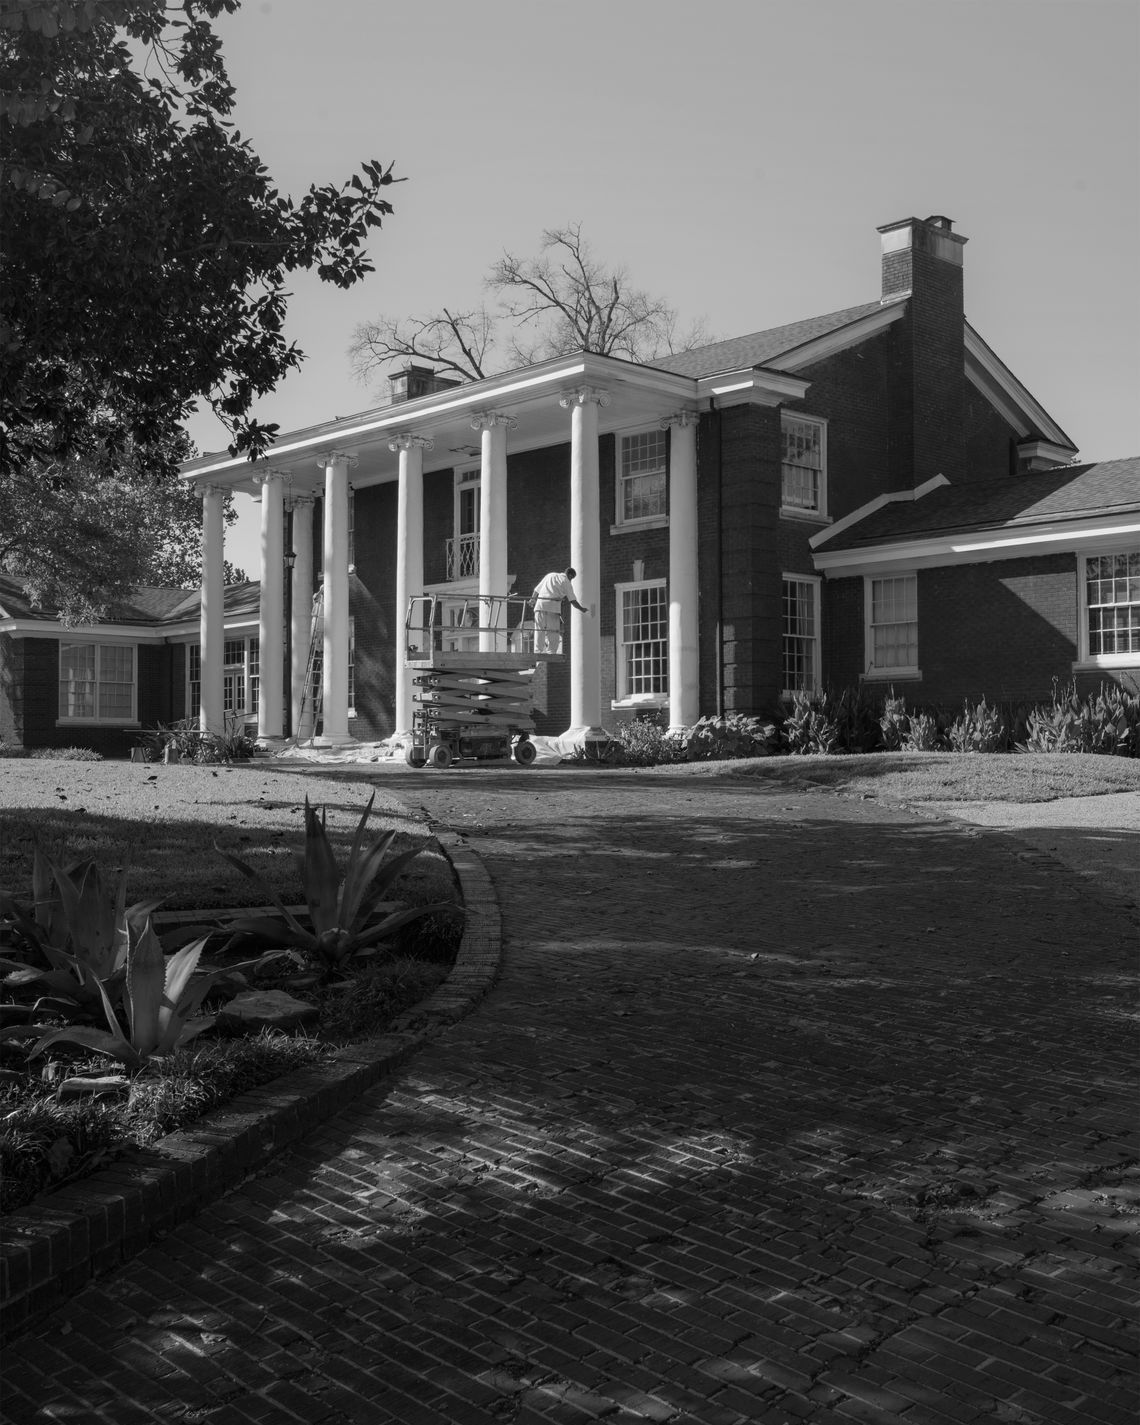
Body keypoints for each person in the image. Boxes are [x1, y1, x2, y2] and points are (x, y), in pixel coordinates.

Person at [531, 566, 589, 654]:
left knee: (539, 629)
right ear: (570, 575)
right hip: (552, 608)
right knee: (553, 630)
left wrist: (533, 599)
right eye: (572, 578)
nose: (571, 580)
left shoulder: (550, 575)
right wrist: (582, 609)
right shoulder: (566, 582)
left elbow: (537, 589)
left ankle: (538, 650)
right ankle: (551, 651)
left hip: (540, 605)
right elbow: (572, 600)